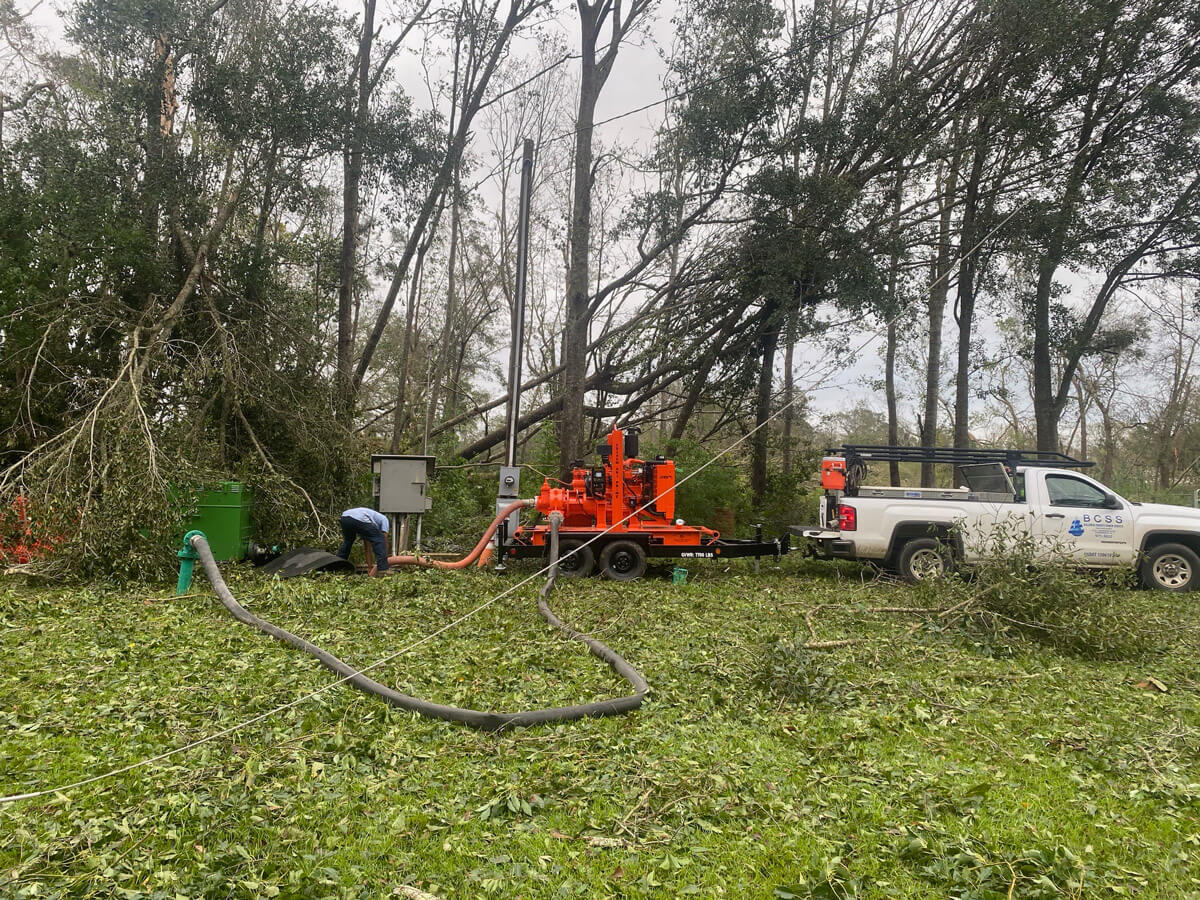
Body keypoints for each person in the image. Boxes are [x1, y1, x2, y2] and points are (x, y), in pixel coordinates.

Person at [335, 507, 390, 575]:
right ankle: (383, 570)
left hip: (345, 517)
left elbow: (367, 548)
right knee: (380, 539)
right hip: (359, 518)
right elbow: (384, 540)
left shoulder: (368, 527)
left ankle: (338, 564)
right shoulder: (384, 519)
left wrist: (369, 567)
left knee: (348, 541)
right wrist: (385, 560)